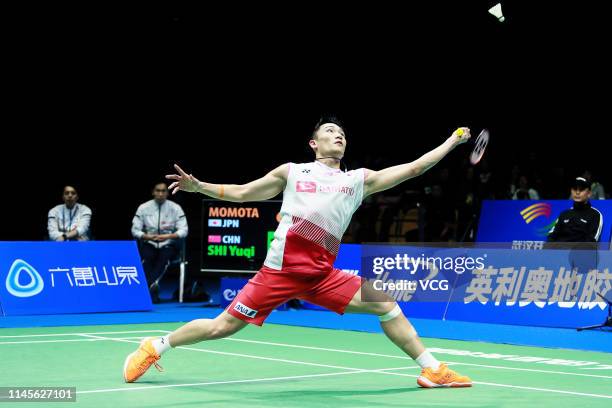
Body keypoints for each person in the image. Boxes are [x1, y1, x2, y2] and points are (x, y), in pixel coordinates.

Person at [123, 117, 473, 388]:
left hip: (322, 274)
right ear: (313, 142)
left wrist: (451, 142)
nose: (338, 136)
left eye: (342, 134)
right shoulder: (292, 172)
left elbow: (414, 169)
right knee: (221, 327)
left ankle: (432, 369)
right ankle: (156, 345)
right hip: (280, 271)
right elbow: (244, 193)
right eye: (331, 131)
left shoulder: (358, 180)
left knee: (385, 304)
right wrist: (200, 187)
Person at [547, 176, 604, 300]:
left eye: (581, 189)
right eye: (574, 189)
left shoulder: (595, 215)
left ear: (589, 193)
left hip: (582, 262)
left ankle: (574, 296)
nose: (577, 192)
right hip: (559, 259)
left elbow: (591, 242)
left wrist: (568, 250)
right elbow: (551, 236)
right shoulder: (564, 214)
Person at [131, 182, 188, 303]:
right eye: (158, 190)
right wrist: (146, 236)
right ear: (153, 192)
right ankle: (153, 287)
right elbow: (135, 229)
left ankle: (147, 287)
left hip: (168, 243)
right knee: (146, 258)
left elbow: (184, 230)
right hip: (149, 242)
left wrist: (169, 236)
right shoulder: (143, 208)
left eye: (163, 191)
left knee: (164, 258)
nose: (160, 193)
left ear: (167, 193)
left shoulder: (175, 208)